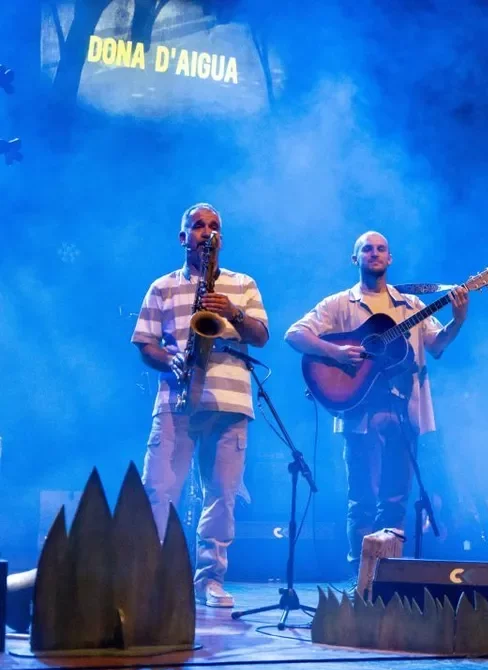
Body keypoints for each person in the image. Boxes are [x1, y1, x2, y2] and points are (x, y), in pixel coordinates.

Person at [284, 231, 467, 575]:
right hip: (359, 413)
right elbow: (294, 334)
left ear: (390, 258)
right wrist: (335, 352)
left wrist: (458, 321)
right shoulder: (340, 304)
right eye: (367, 249)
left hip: (403, 412)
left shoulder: (411, 304)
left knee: (395, 502)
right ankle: (361, 577)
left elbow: (437, 346)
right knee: (363, 501)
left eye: (381, 248)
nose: (375, 253)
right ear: (356, 259)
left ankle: (389, 576)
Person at [132, 203, 270, 608]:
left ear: (220, 237)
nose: (206, 232)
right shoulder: (162, 286)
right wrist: (169, 359)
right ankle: (154, 576)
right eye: (197, 226)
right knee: (158, 490)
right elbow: (144, 344)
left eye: (213, 227)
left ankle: (209, 579)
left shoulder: (242, 283)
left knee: (222, 495)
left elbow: (261, 336)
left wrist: (233, 311)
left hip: (229, 402)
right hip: (176, 399)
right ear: (183, 237)